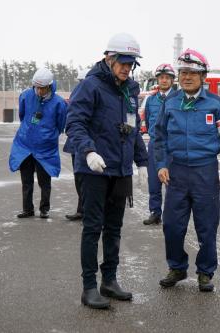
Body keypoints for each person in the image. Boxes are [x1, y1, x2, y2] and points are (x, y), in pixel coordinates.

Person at [65, 33, 148, 309]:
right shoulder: (90, 86)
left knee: (114, 227)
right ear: (108, 58)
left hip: (120, 170)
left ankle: (109, 280)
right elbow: (74, 123)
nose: (127, 68)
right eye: (122, 62)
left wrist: (142, 162)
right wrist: (88, 151)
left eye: (131, 64)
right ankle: (89, 286)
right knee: (93, 228)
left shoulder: (130, 90)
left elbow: (132, 128)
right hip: (94, 168)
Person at [154, 49, 220, 292]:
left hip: (205, 172)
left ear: (203, 76)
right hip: (177, 172)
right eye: (183, 72)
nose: (187, 77)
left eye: (193, 73)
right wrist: (161, 164)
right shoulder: (169, 103)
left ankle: (205, 272)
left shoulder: (215, 104)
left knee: (207, 225)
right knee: (171, 225)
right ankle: (177, 267)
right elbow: (159, 137)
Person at [9, 68, 67, 219]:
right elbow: (23, 116)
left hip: (45, 148)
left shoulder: (59, 103)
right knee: (26, 181)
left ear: (49, 85)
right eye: (37, 87)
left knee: (44, 181)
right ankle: (27, 209)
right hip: (25, 145)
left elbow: (61, 124)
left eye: (42, 88)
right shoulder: (26, 96)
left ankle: (44, 209)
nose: (39, 91)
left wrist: (48, 135)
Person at [142, 64, 176, 226]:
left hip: (172, 147)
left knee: (171, 182)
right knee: (154, 182)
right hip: (155, 146)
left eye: (167, 77)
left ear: (172, 80)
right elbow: (148, 123)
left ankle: (171, 215)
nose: (164, 80)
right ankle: (155, 213)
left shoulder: (178, 98)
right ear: (157, 79)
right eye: (161, 77)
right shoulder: (151, 100)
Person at [63, 68, 90, 221]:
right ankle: (81, 209)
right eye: (80, 81)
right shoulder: (76, 94)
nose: (81, 84)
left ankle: (88, 211)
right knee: (78, 178)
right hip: (75, 143)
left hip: (89, 143)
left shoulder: (94, 94)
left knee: (88, 180)